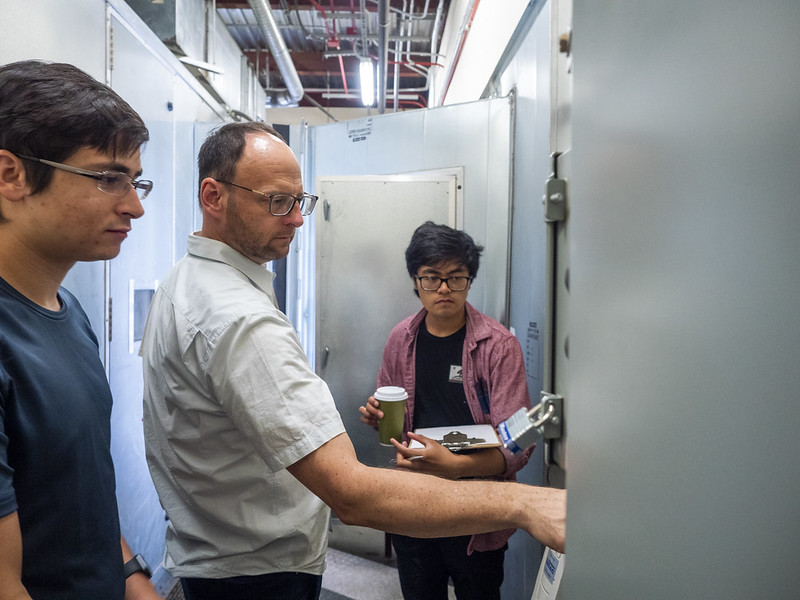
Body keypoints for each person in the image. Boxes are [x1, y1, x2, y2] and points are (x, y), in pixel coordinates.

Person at [141, 121, 566, 600]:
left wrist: (467, 468)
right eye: (277, 201)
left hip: (229, 557)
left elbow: (515, 438)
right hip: (257, 570)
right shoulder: (243, 319)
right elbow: (352, 493)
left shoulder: (184, 281)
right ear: (213, 197)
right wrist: (525, 503)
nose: (297, 219)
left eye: (299, 202)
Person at [0, 60, 161, 599]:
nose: (134, 205)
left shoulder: (67, 311)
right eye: (107, 177)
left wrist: (134, 581)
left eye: (136, 182)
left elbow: (76, 497)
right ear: (10, 175)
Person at [358, 221, 534, 600]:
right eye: (431, 277)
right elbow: (395, 431)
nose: (443, 289)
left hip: (477, 507)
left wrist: (457, 467)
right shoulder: (400, 339)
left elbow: (519, 443)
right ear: (415, 280)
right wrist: (377, 417)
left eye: (456, 277)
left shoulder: (498, 346)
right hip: (414, 500)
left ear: (469, 281)